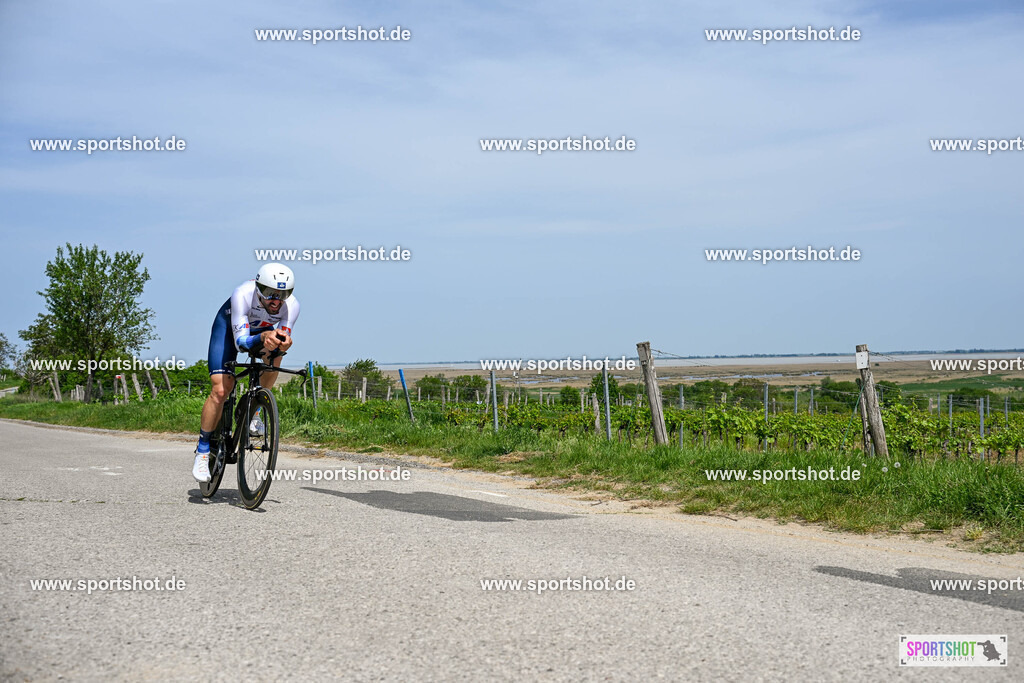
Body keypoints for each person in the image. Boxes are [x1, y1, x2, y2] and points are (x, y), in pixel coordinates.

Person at [193, 263, 300, 482]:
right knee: (221, 390)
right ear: (259, 288)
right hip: (229, 331)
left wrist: (282, 342)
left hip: (261, 333)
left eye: (283, 294)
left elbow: (282, 338)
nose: (276, 300)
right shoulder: (242, 294)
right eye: (270, 293)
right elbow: (241, 343)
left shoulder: (292, 306)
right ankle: (203, 451)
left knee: (277, 354)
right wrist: (262, 338)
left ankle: (257, 409)